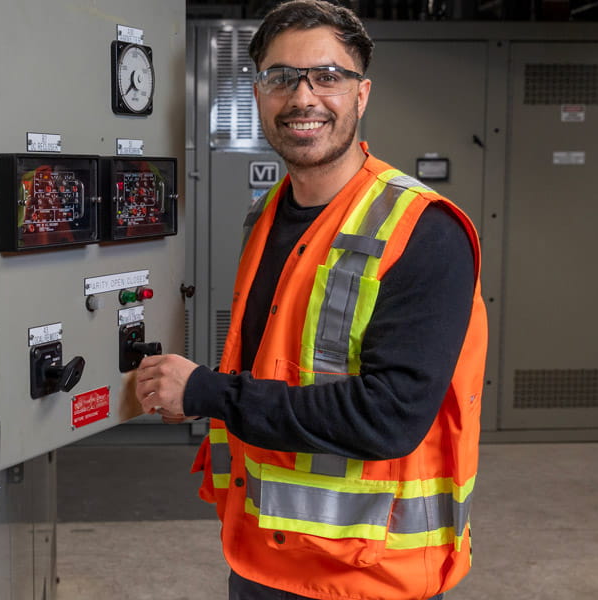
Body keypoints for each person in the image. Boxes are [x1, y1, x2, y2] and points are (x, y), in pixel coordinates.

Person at [133, 2, 487, 599]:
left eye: (327, 77)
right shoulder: (266, 216)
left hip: (369, 578)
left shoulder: (424, 230)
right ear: (258, 94)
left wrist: (205, 392)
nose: (303, 97)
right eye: (281, 78)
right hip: (262, 554)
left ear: (361, 94)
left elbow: (389, 416)